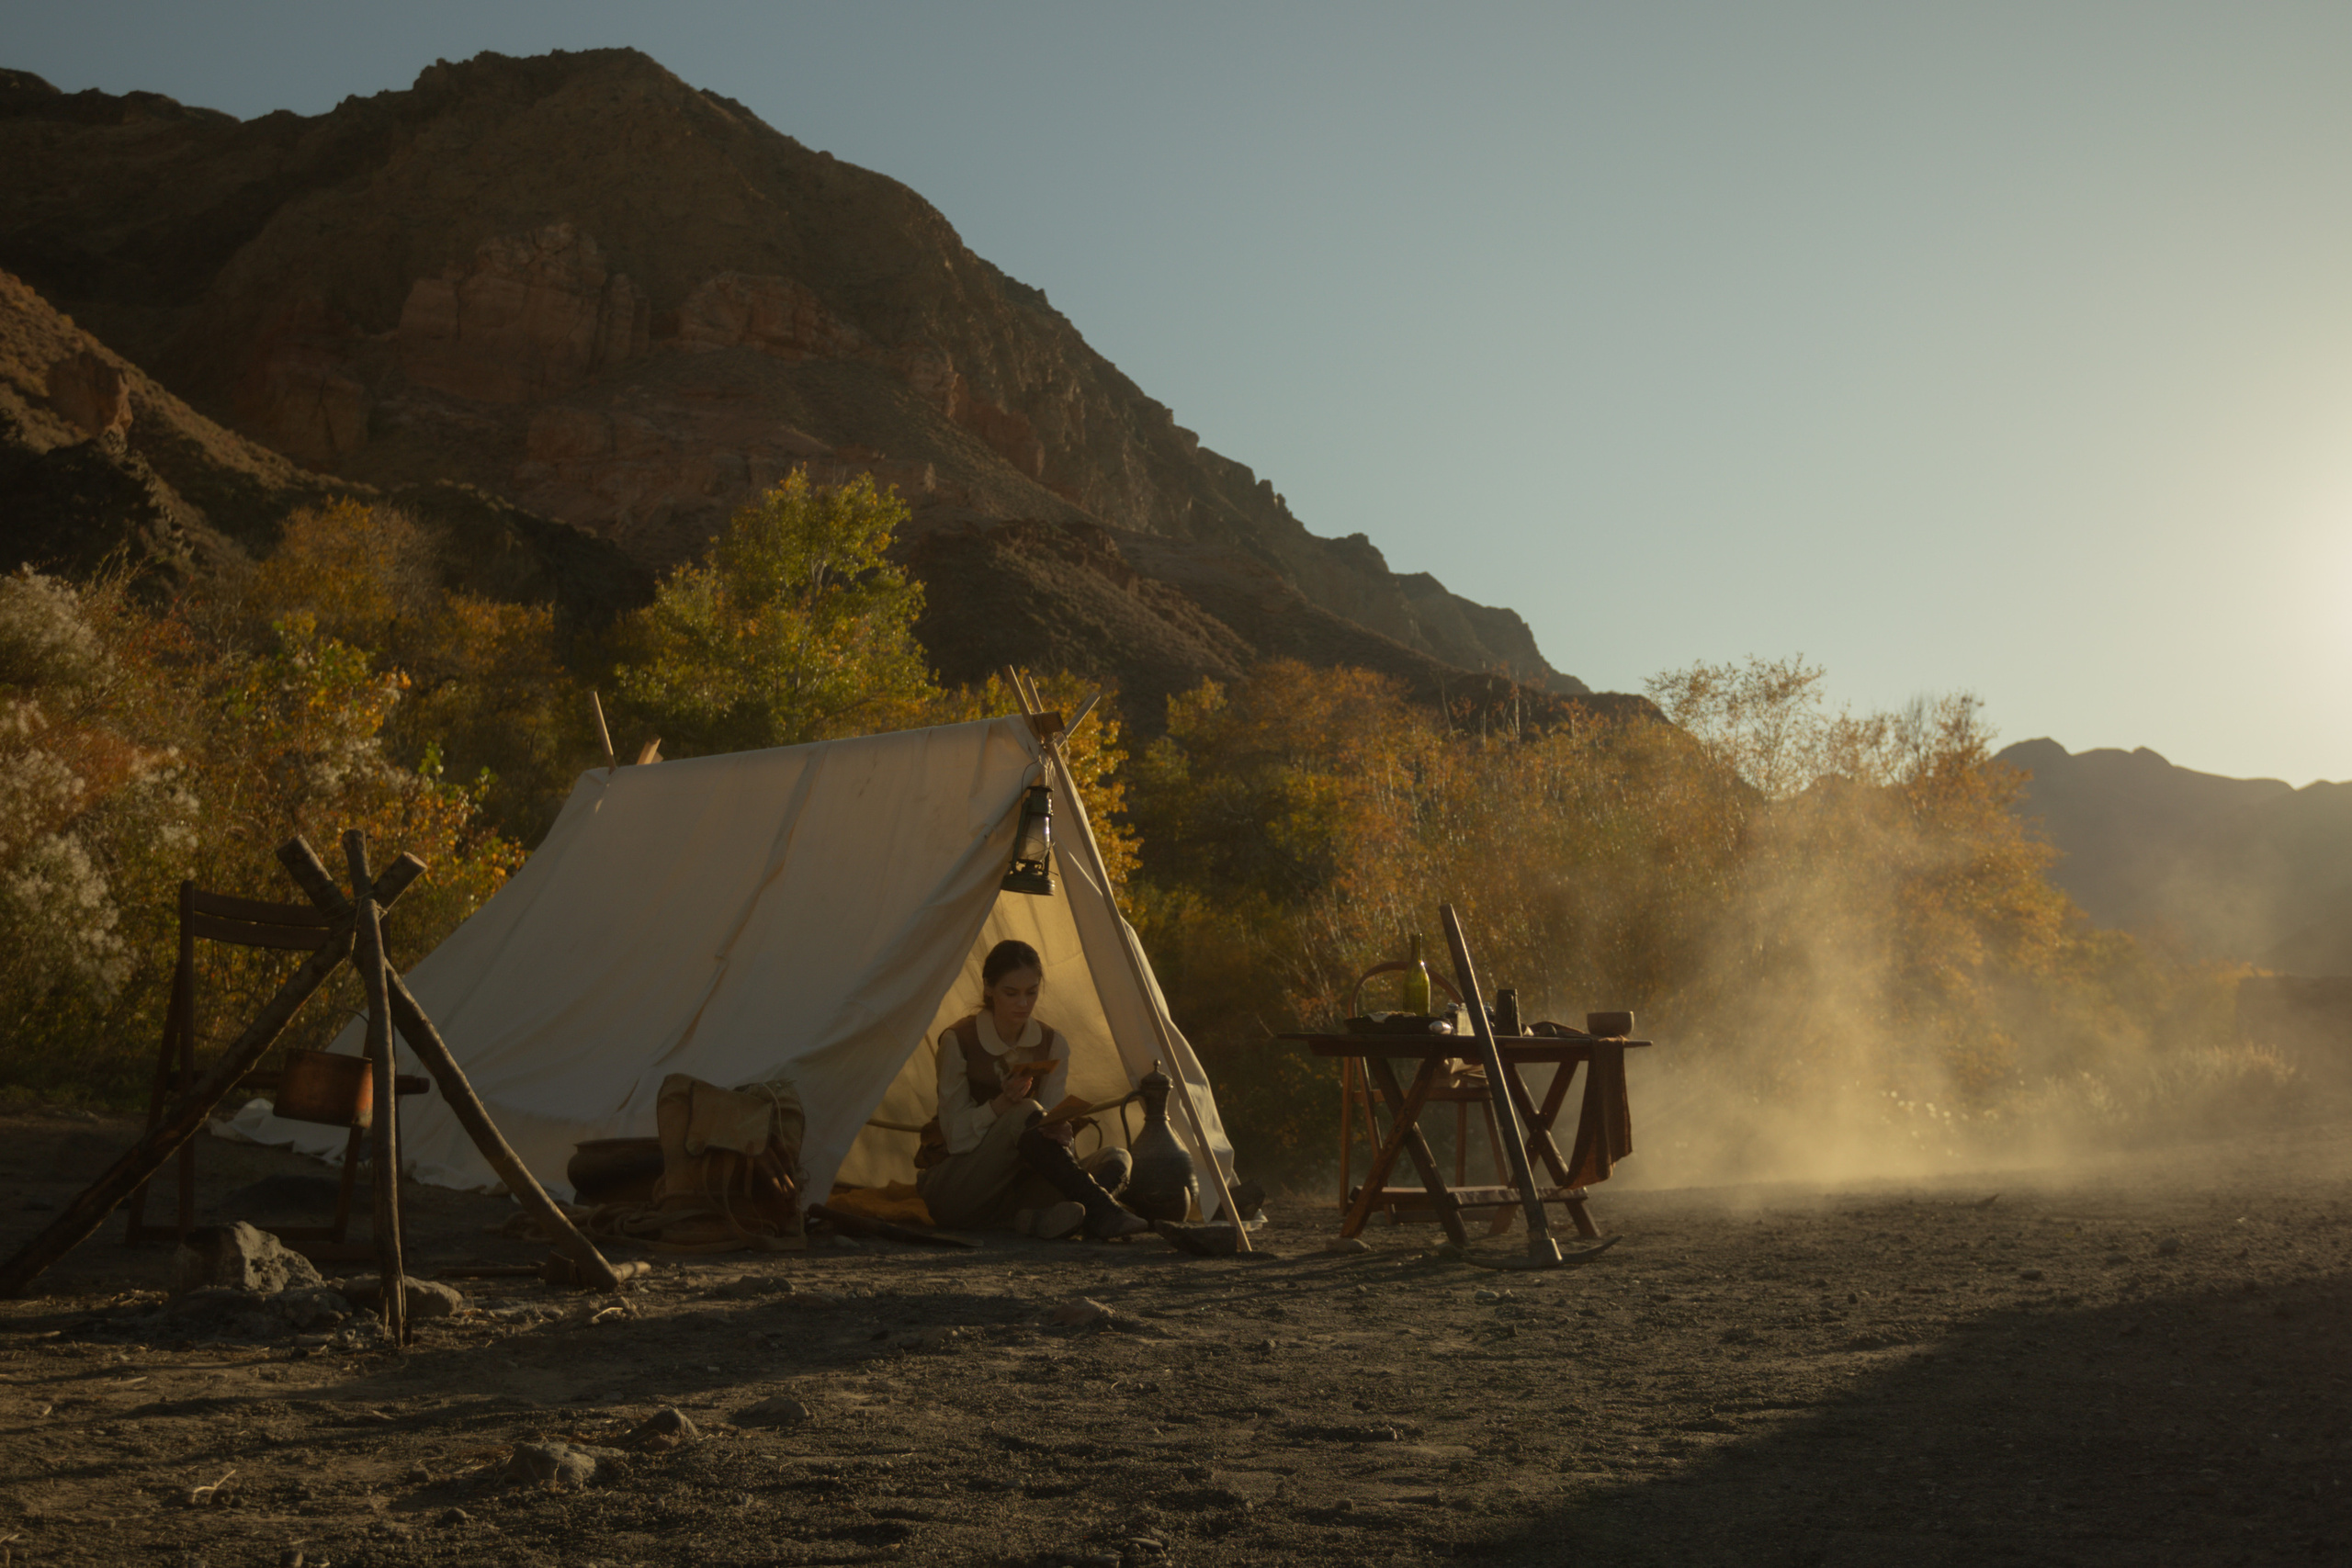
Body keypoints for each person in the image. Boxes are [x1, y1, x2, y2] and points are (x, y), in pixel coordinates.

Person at [916, 939, 1149, 1240]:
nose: (1023, 1004)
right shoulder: (958, 1041)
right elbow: (956, 1137)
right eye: (1011, 993)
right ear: (988, 988)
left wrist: (1062, 1136)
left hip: (1018, 1189)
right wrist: (1001, 1106)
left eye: (1031, 992)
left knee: (1117, 1158)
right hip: (959, 1190)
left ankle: (1031, 1221)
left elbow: (1052, 1136)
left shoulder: (1052, 1044)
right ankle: (1100, 1211)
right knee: (1024, 1110)